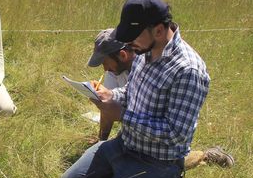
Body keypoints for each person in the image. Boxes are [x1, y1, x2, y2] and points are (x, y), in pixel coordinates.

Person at [60, 0, 211, 178]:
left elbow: (176, 134)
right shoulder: (143, 50)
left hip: (156, 162)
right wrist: (110, 95)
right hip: (124, 144)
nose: (129, 44)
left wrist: (121, 115)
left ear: (158, 30)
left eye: (133, 37)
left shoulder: (188, 71)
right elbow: (131, 92)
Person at [87, 27, 234, 169]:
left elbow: (174, 132)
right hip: (133, 137)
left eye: (104, 62)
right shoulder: (114, 70)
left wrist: (122, 115)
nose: (105, 69)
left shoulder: (154, 63)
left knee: (173, 163)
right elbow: (109, 107)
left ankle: (205, 156)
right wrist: (101, 141)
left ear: (123, 55)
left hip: (160, 146)